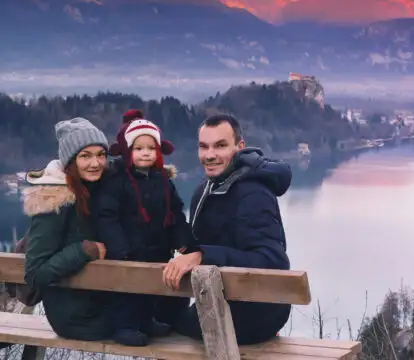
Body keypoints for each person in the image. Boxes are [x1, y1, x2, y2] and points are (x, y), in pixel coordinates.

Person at [163, 114, 292, 345]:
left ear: (239, 147)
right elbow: (207, 241)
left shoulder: (253, 194)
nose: (210, 155)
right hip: (223, 303)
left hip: (254, 314)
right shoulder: (205, 188)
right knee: (158, 318)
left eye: (220, 146)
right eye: (204, 147)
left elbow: (273, 261)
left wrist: (201, 255)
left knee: (160, 323)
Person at [91, 115, 192, 346]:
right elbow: (107, 217)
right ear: (127, 151)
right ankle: (125, 326)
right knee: (127, 292)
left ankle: (146, 321)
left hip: (158, 247)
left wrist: (183, 241)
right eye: (138, 148)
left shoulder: (163, 180)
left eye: (150, 148)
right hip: (128, 250)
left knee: (151, 288)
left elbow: (175, 213)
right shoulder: (116, 180)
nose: (145, 153)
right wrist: (119, 248)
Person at [24, 117, 112, 341]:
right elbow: (35, 274)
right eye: (85, 156)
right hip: (77, 318)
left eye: (101, 154)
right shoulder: (54, 201)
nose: (95, 163)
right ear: (70, 161)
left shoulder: (92, 188)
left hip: (99, 303)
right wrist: (82, 251)